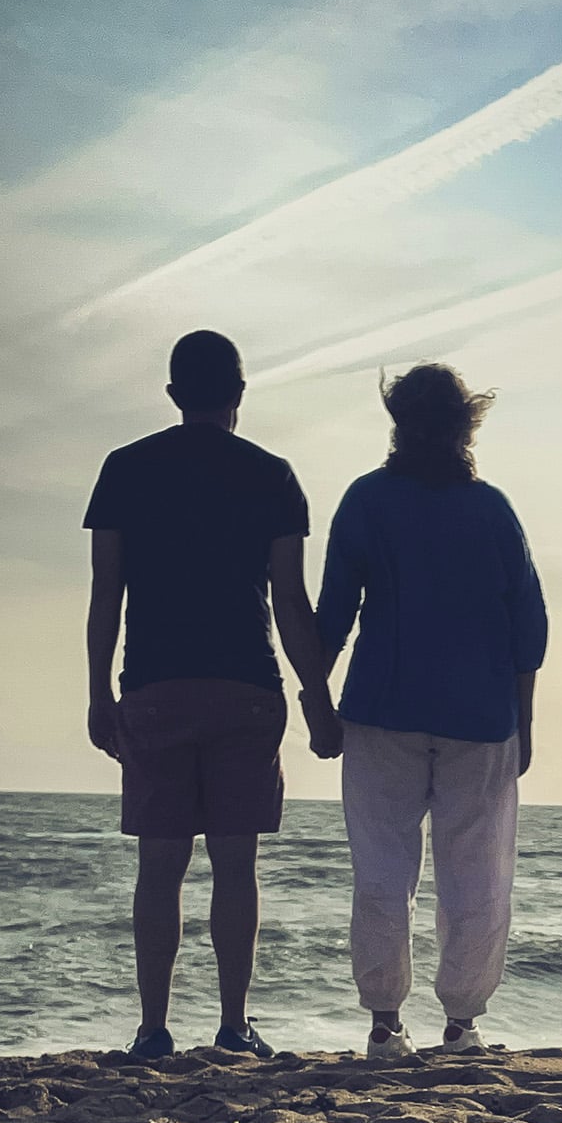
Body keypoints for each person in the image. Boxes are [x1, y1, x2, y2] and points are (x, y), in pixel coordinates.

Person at [84, 329, 342, 1062]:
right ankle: (233, 1025)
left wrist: (98, 692)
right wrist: (318, 698)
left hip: (155, 685)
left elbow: (106, 593)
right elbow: (289, 602)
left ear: (173, 394)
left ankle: (153, 1031)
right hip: (245, 688)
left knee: (159, 868)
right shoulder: (273, 475)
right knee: (236, 867)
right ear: (239, 393)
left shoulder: (125, 468)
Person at [313, 361, 547, 1062]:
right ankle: (462, 1024)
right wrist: (525, 721)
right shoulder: (491, 509)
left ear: (398, 423)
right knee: (476, 875)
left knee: (382, 870)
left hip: (382, 708)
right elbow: (528, 625)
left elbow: (334, 613)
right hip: (481, 715)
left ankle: (385, 1025)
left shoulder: (367, 499)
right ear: (466, 426)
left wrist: (316, 700)